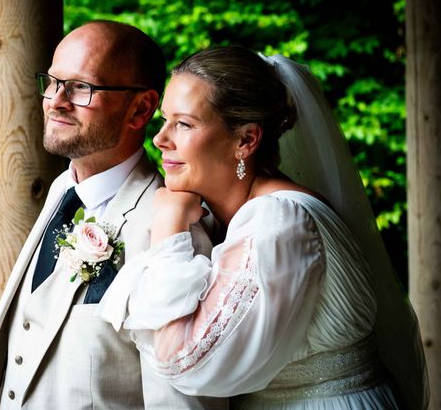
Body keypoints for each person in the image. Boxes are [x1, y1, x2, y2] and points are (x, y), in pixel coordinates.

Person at [98, 46, 429, 409]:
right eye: (165, 120)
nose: (160, 139)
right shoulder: (235, 214)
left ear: (246, 140)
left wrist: (169, 226)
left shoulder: (280, 221)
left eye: (184, 124)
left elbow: (185, 363)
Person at [0, 21, 228, 409]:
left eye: (80, 87)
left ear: (140, 108)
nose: (56, 100)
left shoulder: (176, 234)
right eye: (53, 81)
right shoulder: (62, 191)